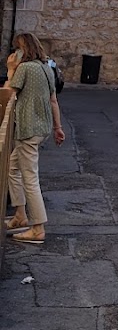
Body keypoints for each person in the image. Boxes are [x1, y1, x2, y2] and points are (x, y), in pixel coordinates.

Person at [3, 32, 65, 244]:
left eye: (16, 49)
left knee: (30, 178)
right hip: (42, 127)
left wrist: (10, 70)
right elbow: (53, 101)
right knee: (13, 169)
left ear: (22, 50)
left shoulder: (25, 68)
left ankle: (37, 228)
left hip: (28, 129)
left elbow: (8, 93)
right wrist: (58, 127)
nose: (14, 53)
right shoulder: (46, 67)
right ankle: (20, 215)